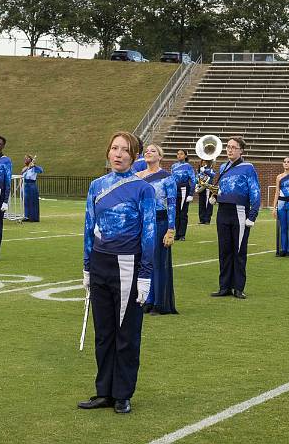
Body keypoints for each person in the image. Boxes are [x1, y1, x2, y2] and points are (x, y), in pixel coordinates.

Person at [79, 131, 156, 414]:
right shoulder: (96, 185)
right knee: (104, 333)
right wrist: (87, 266)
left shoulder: (143, 189)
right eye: (114, 148)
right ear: (108, 153)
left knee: (126, 334)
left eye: (125, 150)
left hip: (128, 265)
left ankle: (122, 393)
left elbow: (149, 235)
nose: (118, 154)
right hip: (100, 263)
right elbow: (89, 227)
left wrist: (145, 275)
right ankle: (104, 392)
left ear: (134, 156)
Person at [209, 137, 260, 299]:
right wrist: (214, 196)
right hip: (223, 211)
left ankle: (238, 287)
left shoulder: (248, 167)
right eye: (228, 147)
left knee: (238, 250)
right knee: (224, 250)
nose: (229, 150)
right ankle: (224, 286)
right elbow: (221, 188)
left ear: (241, 150)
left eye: (233, 147)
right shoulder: (223, 167)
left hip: (239, 211)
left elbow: (255, 192)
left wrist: (252, 215)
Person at [137, 143, 177, 315]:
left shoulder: (167, 177)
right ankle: (148, 299)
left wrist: (171, 229)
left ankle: (160, 303)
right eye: (147, 150)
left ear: (160, 157)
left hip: (160, 222)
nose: (148, 152)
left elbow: (172, 204)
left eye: (153, 151)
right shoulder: (137, 176)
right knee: (145, 262)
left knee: (159, 263)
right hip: (142, 223)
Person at [272, 157, 289, 257]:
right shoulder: (279, 177)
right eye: (284, 162)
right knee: (283, 227)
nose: (286, 164)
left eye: (288, 162)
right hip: (281, 204)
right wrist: (274, 207)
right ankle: (283, 249)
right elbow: (276, 192)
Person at [171, 149, 196, 240]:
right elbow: (171, 179)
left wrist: (191, 194)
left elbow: (193, 180)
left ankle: (182, 234)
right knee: (176, 213)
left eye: (181, 154)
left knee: (183, 212)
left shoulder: (188, 166)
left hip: (184, 189)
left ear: (185, 156)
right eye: (178, 154)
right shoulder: (173, 166)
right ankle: (177, 234)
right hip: (175, 190)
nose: (179, 156)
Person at [21, 154, 43, 222]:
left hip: (31, 185)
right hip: (25, 185)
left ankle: (33, 217)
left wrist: (34, 166)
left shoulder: (34, 168)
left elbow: (41, 171)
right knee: (25, 202)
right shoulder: (25, 168)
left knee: (32, 201)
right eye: (25, 159)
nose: (25, 160)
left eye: (27, 158)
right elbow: (22, 174)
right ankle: (26, 216)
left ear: (30, 160)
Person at [196, 159, 215, 224]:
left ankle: (207, 219)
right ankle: (202, 219)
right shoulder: (200, 170)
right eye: (202, 162)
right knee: (201, 204)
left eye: (205, 162)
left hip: (208, 188)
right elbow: (198, 178)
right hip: (201, 188)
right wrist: (196, 185)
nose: (203, 163)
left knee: (208, 204)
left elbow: (213, 175)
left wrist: (205, 171)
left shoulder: (210, 169)